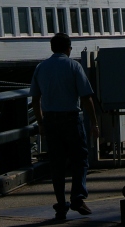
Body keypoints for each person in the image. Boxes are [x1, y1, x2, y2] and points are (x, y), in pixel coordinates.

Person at [30, 33, 100, 220]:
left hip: (50, 121)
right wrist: (94, 123)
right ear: (68, 48)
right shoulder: (74, 66)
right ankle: (77, 197)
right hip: (70, 119)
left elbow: (35, 99)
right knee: (80, 159)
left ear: (52, 48)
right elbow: (86, 97)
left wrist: (40, 123)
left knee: (57, 164)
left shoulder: (41, 68)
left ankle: (61, 205)